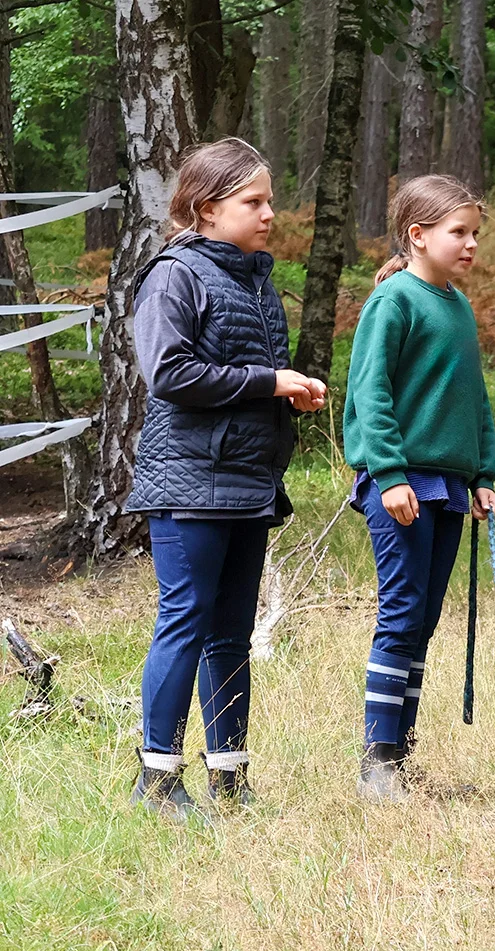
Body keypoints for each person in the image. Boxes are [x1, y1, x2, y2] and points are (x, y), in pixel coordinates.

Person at [126, 138, 329, 817]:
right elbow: (170, 374)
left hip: (247, 483)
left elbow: (235, 380)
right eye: (254, 202)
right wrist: (269, 380)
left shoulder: (253, 278)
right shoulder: (173, 275)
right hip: (188, 484)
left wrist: (284, 393)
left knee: (231, 634)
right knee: (184, 622)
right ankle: (156, 782)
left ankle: (230, 780)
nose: (269, 213)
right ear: (207, 208)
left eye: (269, 199)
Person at [343, 174, 495, 802]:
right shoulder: (394, 302)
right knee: (402, 613)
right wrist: (387, 474)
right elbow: (369, 392)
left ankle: (400, 756)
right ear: (418, 235)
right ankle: (377, 763)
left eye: (474, 235)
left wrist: (483, 474)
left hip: (449, 486)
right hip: (402, 483)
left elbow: (474, 400)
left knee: (426, 619)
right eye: (458, 232)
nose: (469, 245)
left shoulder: (457, 304)